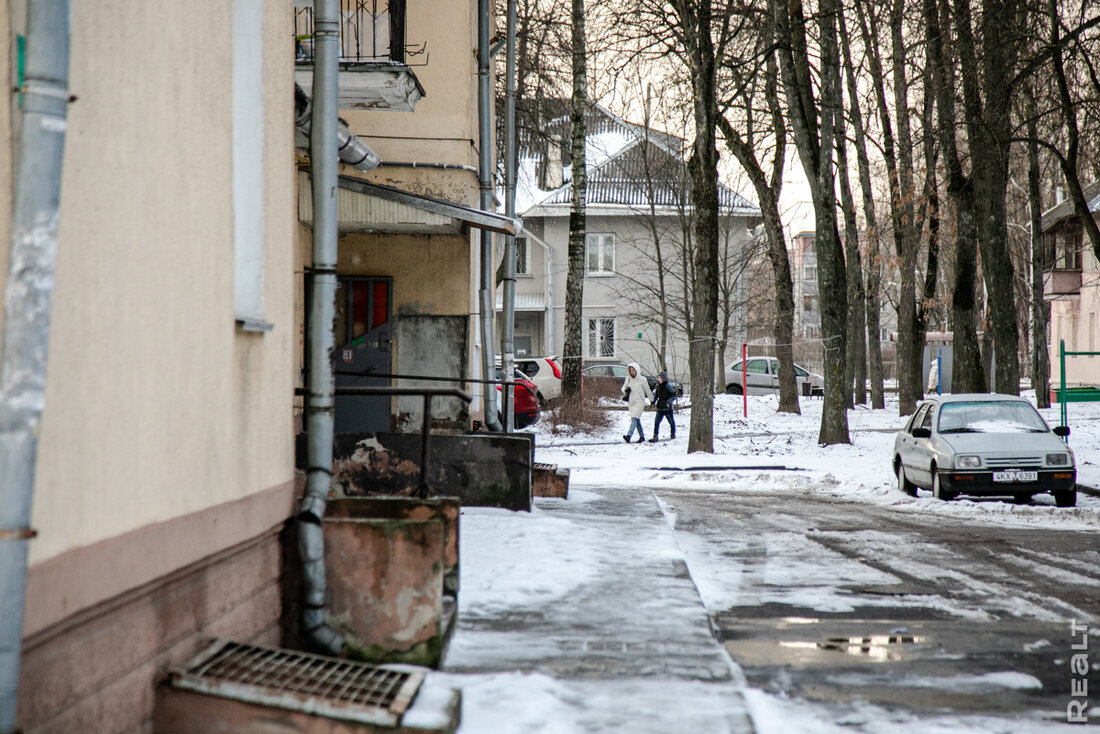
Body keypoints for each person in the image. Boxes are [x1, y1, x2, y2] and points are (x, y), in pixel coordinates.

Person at [620, 362, 653, 443]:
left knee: (634, 419)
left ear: (637, 370)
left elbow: (647, 390)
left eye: (633, 370)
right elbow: (623, 387)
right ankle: (642, 437)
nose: (632, 372)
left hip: (639, 402)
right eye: (630, 371)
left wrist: (652, 400)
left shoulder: (642, 379)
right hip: (631, 402)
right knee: (636, 420)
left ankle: (629, 436)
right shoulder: (628, 378)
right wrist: (625, 390)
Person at [649, 371, 676, 442]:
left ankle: (673, 433)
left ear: (663, 379)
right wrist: (653, 402)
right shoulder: (658, 386)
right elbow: (656, 395)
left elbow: (674, 395)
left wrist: (669, 402)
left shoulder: (668, 386)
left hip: (667, 408)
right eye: (658, 378)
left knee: (671, 421)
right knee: (656, 422)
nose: (658, 379)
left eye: (660, 378)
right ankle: (655, 436)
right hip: (660, 407)